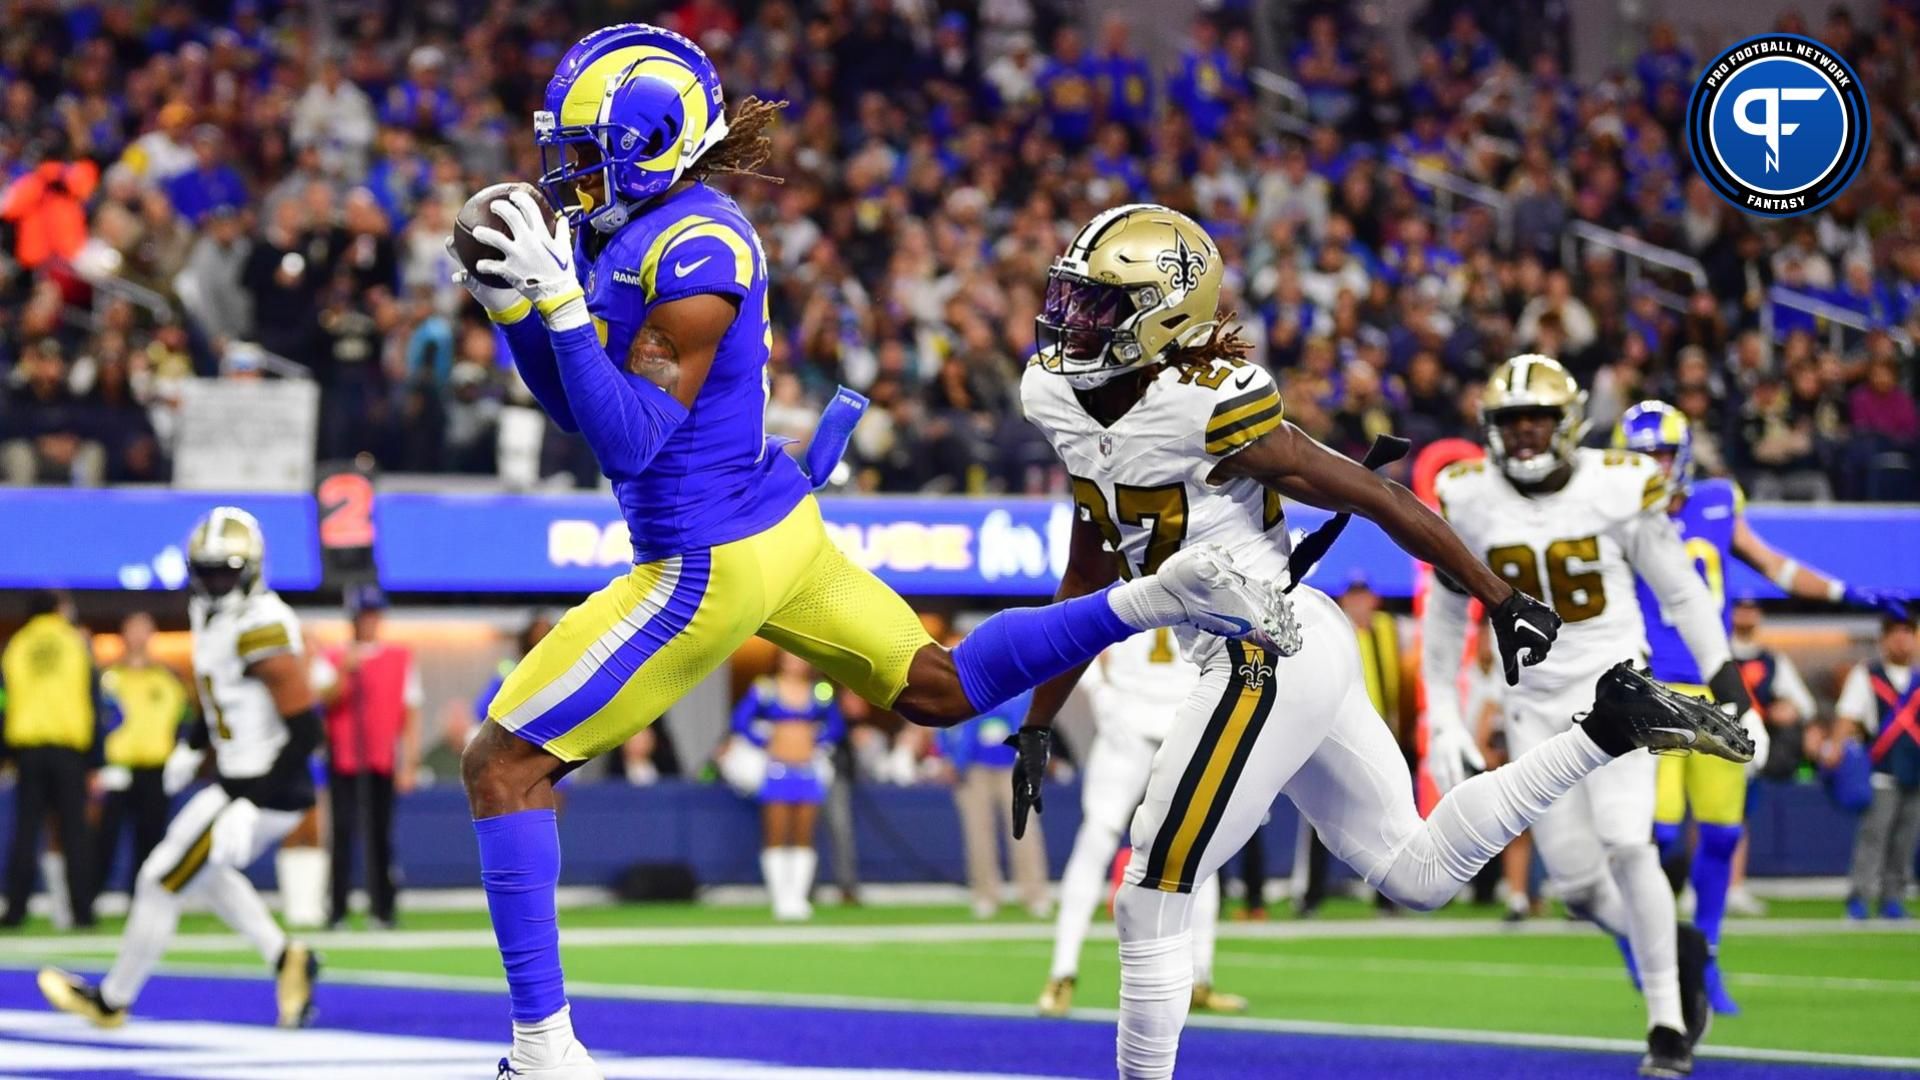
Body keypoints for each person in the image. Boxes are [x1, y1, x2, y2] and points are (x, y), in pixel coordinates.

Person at [448, 29, 1286, 1079]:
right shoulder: (642, 231)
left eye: (586, 149)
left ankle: (543, 1050)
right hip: (770, 528)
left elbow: (627, 437)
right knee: (936, 689)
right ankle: (1160, 596)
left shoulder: (696, 250)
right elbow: (583, 409)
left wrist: (558, 309)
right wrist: (520, 316)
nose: (564, 173)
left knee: (503, 764)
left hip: (703, 555)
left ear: (651, 146)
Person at [1012, 204, 1749, 1080]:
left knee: (1152, 887)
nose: (1071, 321)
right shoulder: (1053, 393)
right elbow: (1087, 570)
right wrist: (1039, 717)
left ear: (1164, 314)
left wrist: (1498, 593)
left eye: (1099, 306)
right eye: (1071, 298)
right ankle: (1608, 730)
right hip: (1282, 649)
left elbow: (1376, 494)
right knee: (1419, 870)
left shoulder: (1206, 408)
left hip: (1265, 648)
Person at [1426, 359, 1762, 1077]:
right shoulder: (1468, 497)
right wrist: (1443, 714)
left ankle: (1667, 1022)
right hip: (1533, 704)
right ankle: (1676, 946)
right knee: (1576, 884)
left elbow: (1681, 593)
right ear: (1489, 427)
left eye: (1536, 419)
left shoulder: (1616, 485)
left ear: (1566, 422)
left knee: (1627, 841)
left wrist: (1729, 683)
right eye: (1510, 420)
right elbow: (1446, 615)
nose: (1523, 434)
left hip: (1618, 688)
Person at [1616, 399, 1906, 1013]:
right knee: (1662, 833)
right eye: (1642, 456)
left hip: (1719, 688)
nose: (1653, 467)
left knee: (1721, 834)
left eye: (1662, 454)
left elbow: (1773, 564)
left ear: (1684, 456)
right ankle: (1656, 946)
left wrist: (1844, 591)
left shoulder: (1718, 502)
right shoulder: (1612, 516)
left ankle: (1709, 953)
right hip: (1656, 688)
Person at [38, 507, 320, 1030]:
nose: (215, 583)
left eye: (225, 571)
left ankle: (112, 1002)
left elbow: (307, 732)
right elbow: (218, 699)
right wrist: (192, 745)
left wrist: (251, 804)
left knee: (160, 880)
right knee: (203, 875)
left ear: (252, 568)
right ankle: (288, 957)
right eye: (206, 570)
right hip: (234, 783)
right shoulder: (209, 613)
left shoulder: (263, 625)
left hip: (271, 792)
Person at [1039, 627, 1245, 1018]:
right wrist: (1101, 692)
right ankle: (1062, 972)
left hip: (1176, 716)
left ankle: (1198, 977)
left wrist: (1101, 691)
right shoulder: (1204, 570)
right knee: (1101, 841)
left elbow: (1079, 628)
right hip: (1147, 718)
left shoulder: (1133, 568)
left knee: (1196, 848)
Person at [1294, 573, 1411, 915]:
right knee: (1320, 817)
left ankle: (1389, 895)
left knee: (1389, 815)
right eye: (1353, 597)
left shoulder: (1388, 630)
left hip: (1381, 735)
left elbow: (1402, 680)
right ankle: (1311, 894)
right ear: (1343, 602)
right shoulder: (1330, 633)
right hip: (1337, 735)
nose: (1360, 604)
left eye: (1365, 597)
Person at [311, 585, 421, 929]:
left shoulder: (400, 658)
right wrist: (345, 670)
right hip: (344, 757)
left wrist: (409, 762)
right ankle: (337, 908)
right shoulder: (333, 657)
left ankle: (383, 909)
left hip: (381, 759)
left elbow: (410, 712)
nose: (370, 623)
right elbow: (324, 699)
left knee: (381, 834)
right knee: (342, 832)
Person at [1, 590, 99, 929]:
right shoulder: (75, 642)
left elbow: (4, 698)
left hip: (28, 751)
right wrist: (95, 758)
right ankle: (83, 913)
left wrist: (6, 751)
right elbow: (92, 695)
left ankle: (14, 911)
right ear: (60, 609)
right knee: (75, 832)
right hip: (68, 751)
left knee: (25, 833)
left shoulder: (17, 644)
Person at [730, 652, 842, 921]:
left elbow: (836, 725)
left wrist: (819, 739)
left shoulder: (820, 691)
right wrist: (762, 741)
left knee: (804, 834)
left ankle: (798, 897)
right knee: (777, 832)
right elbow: (740, 721)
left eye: (799, 658)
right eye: (789, 658)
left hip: (807, 770)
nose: (795, 663)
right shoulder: (766, 689)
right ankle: (780, 897)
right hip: (777, 769)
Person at [96, 612, 191, 896]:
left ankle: (143, 895)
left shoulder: (168, 678)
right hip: (116, 768)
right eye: (132, 629)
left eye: (143, 630)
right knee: (105, 836)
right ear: (122, 635)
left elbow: (184, 723)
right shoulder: (107, 678)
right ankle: (88, 900)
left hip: (155, 767)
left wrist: (181, 758)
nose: (137, 636)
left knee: (150, 836)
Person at [935, 686, 1050, 921]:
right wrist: (949, 756)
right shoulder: (965, 674)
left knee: (1025, 831)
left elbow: (1029, 710)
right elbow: (944, 712)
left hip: (1014, 764)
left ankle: (1034, 894)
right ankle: (985, 895)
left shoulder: (1021, 676)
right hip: (973, 767)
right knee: (978, 834)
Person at [1838, 614, 1920, 921]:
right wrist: (1836, 747)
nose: (1902, 640)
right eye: (1895, 633)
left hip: (1915, 768)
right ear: (1883, 639)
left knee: (1905, 838)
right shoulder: (1868, 675)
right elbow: (1848, 714)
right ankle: (1859, 895)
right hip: (1882, 768)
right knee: (1874, 836)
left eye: (1907, 633)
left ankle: (1893, 897)